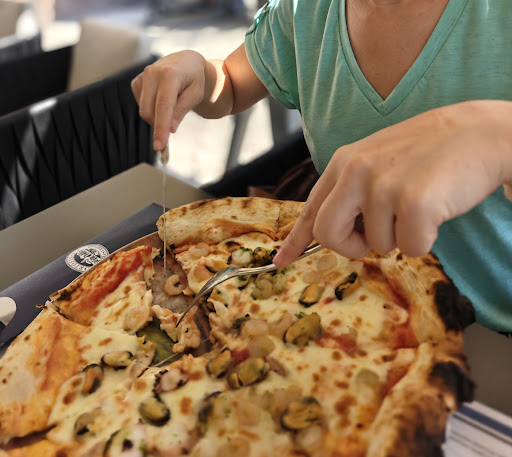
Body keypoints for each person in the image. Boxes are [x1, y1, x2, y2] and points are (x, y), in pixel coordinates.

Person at [131, 0, 512, 332]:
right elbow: (230, 84)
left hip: (489, 329)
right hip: (350, 309)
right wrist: (200, 72)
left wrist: (492, 134)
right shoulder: (305, 11)